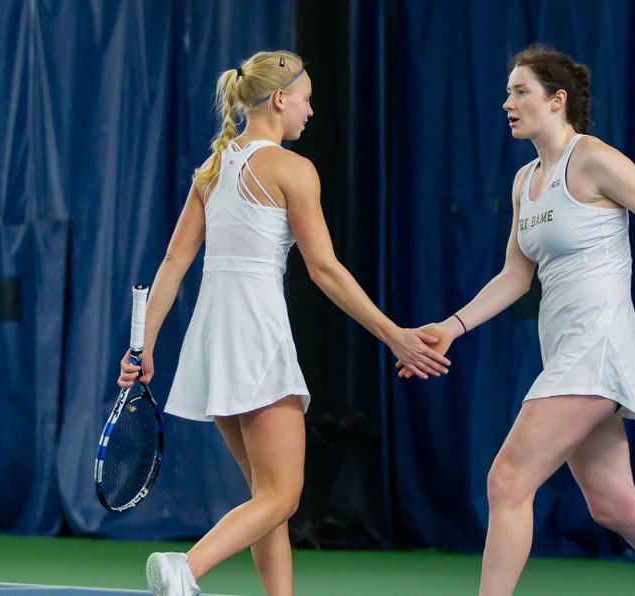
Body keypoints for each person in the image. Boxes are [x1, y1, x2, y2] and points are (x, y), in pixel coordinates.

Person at [408, 45, 635, 596]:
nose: (507, 103)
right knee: (616, 505)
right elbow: (515, 278)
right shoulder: (524, 182)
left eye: (520, 92)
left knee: (507, 480)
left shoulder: (594, 159)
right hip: (566, 350)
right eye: (507, 92)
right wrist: (452, 326)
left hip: (598, 348)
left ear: (557, 100)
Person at [118, 50, 451, 596]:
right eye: (307, 99)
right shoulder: (294, 169)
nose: (311, 111)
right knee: (284, 495)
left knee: (264, 494)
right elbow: (324, 270)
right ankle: (186, 568)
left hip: (211, 338)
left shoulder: (212, 169)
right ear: (280, 99)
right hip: (255, 332)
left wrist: (144, 344)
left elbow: (173, 264)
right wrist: (395, 334)